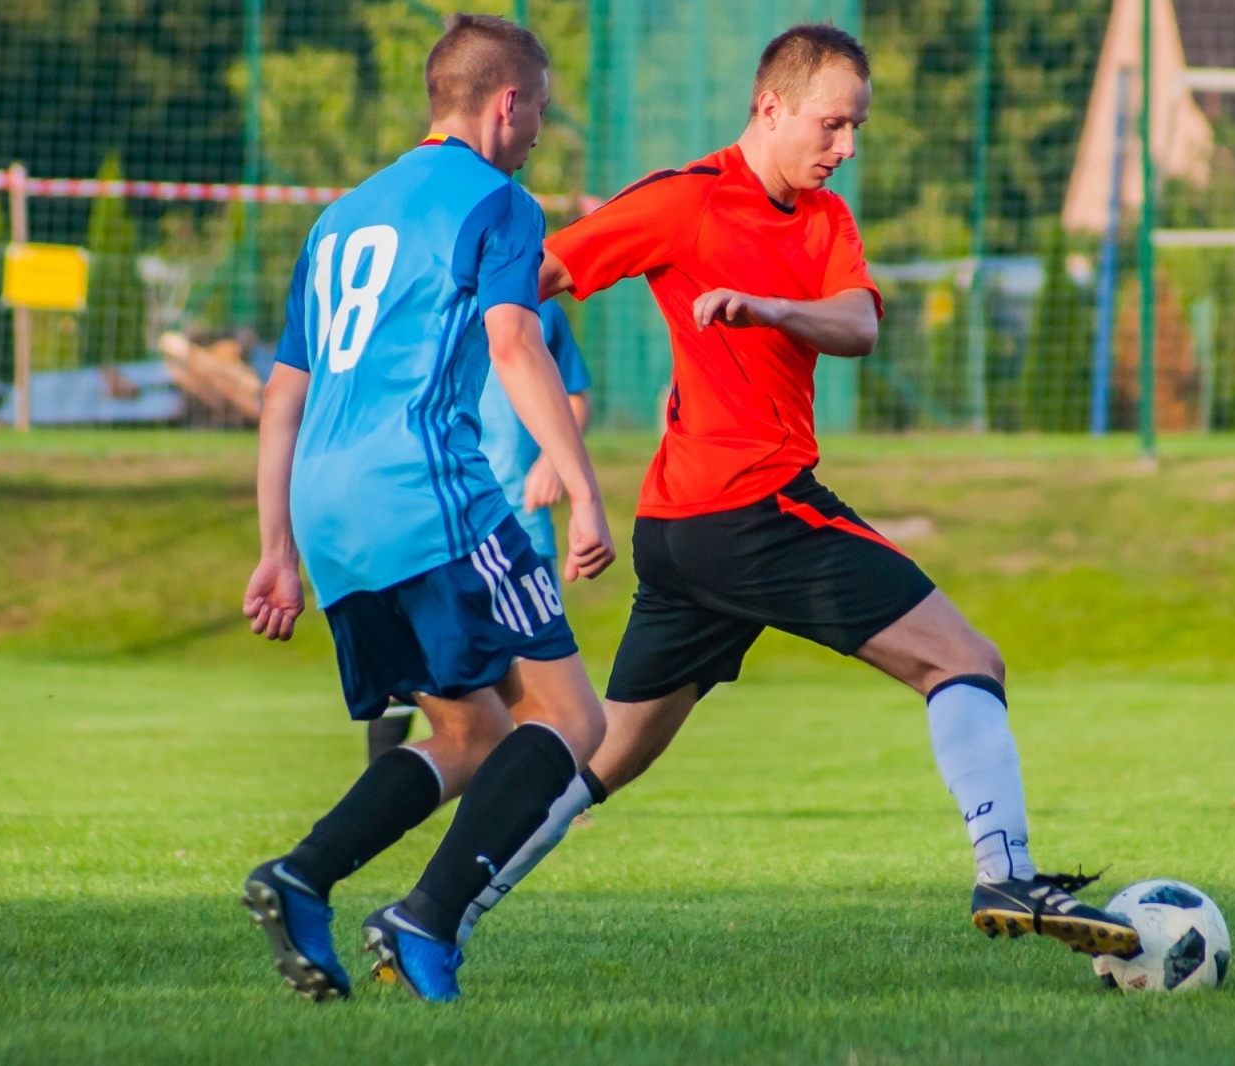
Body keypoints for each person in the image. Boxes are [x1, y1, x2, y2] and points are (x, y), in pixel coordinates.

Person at [456, 23, 1139, 961]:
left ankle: (436, 911)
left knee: (602, 753)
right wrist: (458, 370)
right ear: (770, 108)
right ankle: (1006, 870)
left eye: (856, 128)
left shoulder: (825, 219)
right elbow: (534, 278)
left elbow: (859, 325)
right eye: (831, 125)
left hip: (688, 531)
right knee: (964, 660)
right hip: (751, 511)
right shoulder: (686, 199)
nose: (845, 147)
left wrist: (769, 308)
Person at [238, 15, 615, 1004]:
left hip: (329, 515)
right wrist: (581, 487)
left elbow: (282, 394)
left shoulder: (338, 219)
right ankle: (426, 918)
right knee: (573, 718)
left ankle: (303, 877)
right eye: (539, 111)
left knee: (471, 734)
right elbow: (514, 343)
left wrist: (277, 546)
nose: (539, 132)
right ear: (506, 103)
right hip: (428, 494)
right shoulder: (500, 201)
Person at [366, 301, 593, 764]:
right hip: (437, 519)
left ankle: (531, 792)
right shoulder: (422, 300)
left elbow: (575, 398)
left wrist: (552, 462)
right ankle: (380, 789)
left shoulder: (537, 303)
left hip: (519, 524)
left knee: (535, 680)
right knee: (407, 677)